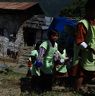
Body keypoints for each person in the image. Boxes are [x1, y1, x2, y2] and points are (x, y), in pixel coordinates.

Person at [73, 0, 95, 91]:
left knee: (92, 71)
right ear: (88, 10)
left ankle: (85, 87)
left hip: (93, 51)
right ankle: (77, 90)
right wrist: (90, 49)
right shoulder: (82, 23)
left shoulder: (93, 22)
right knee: (81, 72)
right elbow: (79, 40)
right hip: (84, 51)